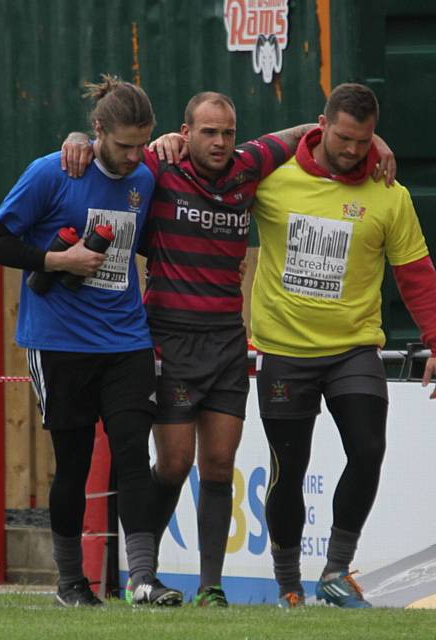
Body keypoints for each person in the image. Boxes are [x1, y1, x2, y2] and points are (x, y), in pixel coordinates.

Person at [61, 91, 395, 607]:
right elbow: (111, 154)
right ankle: (142, 574)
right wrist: (79, 139)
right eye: (208, 132)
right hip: (169, 336)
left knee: (219, 465)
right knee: (173, 464)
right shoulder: (159, 166)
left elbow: (312, 132)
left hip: (227, 339)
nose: (219, 142)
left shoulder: (249, 167)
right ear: (184, 132)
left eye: (227, 132)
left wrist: (372, 142)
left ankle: (211, 588)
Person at [0, 75, 183, 608]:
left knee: (131, 454)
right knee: (72, 464)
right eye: (124, 145)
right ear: (96, 131)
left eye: (143, 143)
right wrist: (57, 261)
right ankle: (71, 584)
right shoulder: (51, 172)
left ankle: (143, 579)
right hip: (59, 343)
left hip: (126, 340)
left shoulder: (144, 175)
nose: (134, 155)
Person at [250, 82, 436, 609]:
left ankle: (335, 571)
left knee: (369, 449)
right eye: (345, 137)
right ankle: (288, 584)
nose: (354, 150)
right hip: (285, 352)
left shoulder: (389, 194)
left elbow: (417, 275)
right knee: (288, 470)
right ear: (322, 125)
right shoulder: (271, 181)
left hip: (354, 349)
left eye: (365, 140)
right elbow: (213, 173)